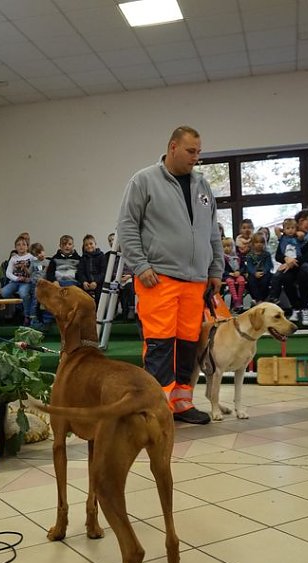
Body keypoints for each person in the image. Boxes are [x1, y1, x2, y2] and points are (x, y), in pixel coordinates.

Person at [117, 125, 223, 425]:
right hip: (158, 278)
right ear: (173, 147)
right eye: (191, 151)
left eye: (199, 152)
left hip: (196, 281)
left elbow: (212, 230)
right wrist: (140, 265)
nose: (196, 158)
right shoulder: (144, 180)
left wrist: (215, 269)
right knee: (160, 344)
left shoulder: (202, 185)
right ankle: (156, 407)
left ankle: (181, 404)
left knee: (188, 344)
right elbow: (126, 226)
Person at [275, 209, 308, 326]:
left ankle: (305, 308)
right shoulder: (286, 236)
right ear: (300, 221)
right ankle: (295, 307)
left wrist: (293, 261)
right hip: (289, 266)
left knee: (305, 275)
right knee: (284, 278)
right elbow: (278, 255)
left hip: (302, 266)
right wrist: (286, 259)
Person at [2, 235, 36, 325]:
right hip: (15, 281)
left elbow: (37, 270)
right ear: (15, 247)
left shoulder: (31, 257)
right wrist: (17, 278)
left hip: (26, 283)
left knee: (23, 294)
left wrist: (30, 279)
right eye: (18, 245)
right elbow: (8, 273)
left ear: (27, 246)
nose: (21, 246)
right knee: (4, 292)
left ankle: (26, 315)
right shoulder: (14, 258)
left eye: (24, 244)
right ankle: (13, 311)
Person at [245, 232, 273, 304]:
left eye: (261, 242)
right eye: (257, 242)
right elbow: (249, 266)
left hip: (265, 272)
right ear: (253, 243)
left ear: (264, 243)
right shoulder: (250, 255)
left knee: (265, 281)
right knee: (251, 282)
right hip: (253, 273)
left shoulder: (267, 254)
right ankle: (258, 299)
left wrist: (264, 271)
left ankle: (262, 299)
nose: (259, 244)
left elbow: (269, 265)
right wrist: (254, 273)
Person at [77, 234, 107, 302]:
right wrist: (84, 281)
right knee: (81, 296)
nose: (89, 246)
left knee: (100, 296)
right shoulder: (83, 258)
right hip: (86, 283)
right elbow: (80, 272)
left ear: (95, 244)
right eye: (86, 245)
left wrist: (95, 282)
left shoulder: (102, 256)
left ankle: (98, 311)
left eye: (91, 244)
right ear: (84, 247)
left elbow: (103, 272)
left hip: (99, 283)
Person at [221, 237, 247, 311]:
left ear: (233, 246)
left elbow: (243, 266)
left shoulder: (238, 256)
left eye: (228, 246)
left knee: (241, 281)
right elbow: (221, 269)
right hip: (227, 275)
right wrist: (230, 273)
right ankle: (235, 299)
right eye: (224, 246)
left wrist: (239, 272)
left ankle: (239, 299)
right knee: (230, 281)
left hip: (238, 274)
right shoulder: (222, 258)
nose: (226, 248)